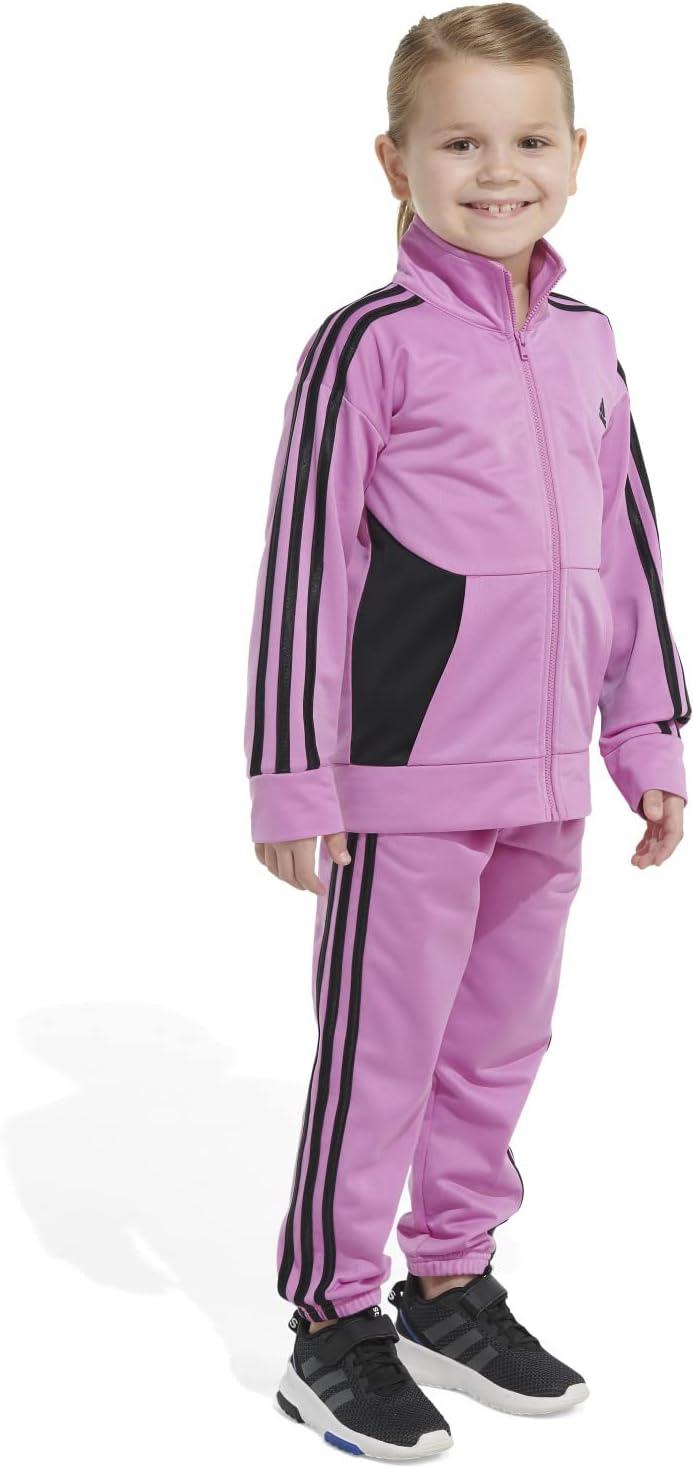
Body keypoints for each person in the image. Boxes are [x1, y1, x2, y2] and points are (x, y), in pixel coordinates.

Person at [243, 4, 689, 1457]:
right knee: (381, 1055)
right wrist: (296, 780)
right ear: (396, 162)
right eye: (459, 143)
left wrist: (648, 740)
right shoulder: (367, 344)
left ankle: (449, 1281)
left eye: (528, 140)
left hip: (546, 780)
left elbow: (628, 551)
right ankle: (331, 1322)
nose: (498, 171)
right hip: (403, 781)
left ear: (577, 154)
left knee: (499, 1045)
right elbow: (305, 565)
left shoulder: (589, 342)